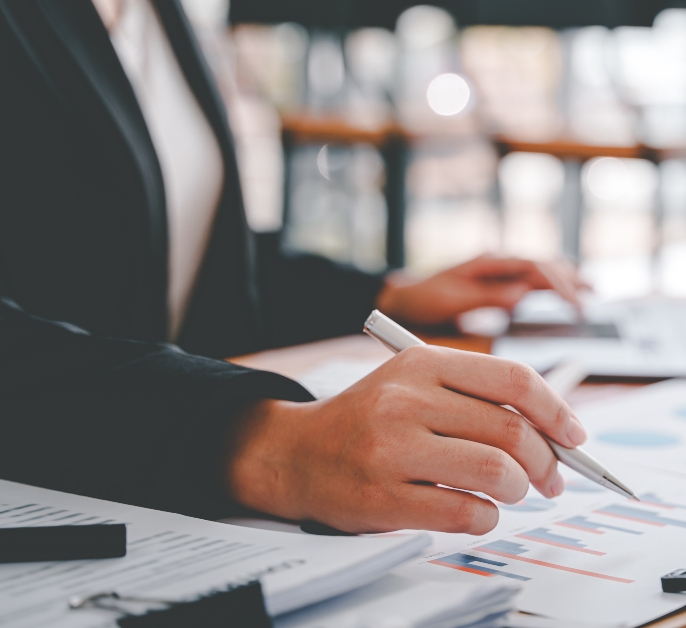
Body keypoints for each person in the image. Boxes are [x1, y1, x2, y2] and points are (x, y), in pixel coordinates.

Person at [0, 0, 588, 535]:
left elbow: (183, 253)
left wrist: (391, 294)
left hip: (172, 512)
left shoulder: (159, 13)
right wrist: (264, 446)